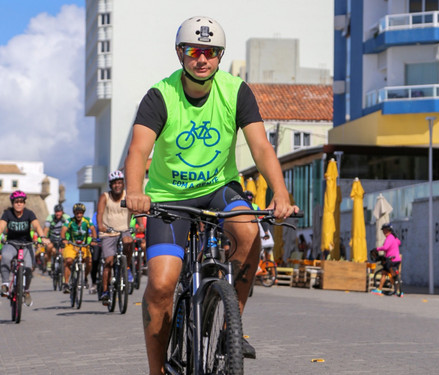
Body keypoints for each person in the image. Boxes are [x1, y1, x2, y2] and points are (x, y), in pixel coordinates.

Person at [124, 16, 299, 372]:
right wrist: (134, 191)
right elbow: (138, 151)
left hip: (220, 189)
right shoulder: (160, 95)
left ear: (220, 56)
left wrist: (281, 193)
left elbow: (262, 147)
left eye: (211, 52)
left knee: (250, 233)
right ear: (180, 54)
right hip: (168, 198)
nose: (202, 59)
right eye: (193, 51)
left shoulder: (236, 91)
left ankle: (229, 328)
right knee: (161, 285)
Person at [0, 191, 49, 306]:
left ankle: (26, 291)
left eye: (21, 202)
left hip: (26, 245)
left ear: (24, 203)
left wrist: (42, 237)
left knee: (28, 268)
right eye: (16, 202)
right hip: (11, 243)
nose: (19, 204)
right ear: (13, 203)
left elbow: (37, 225)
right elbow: (1, 226)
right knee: (5, 257)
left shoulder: (29, 213)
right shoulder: (8, 214)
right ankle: (5, 284)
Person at [96, 170, 133, 305]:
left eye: (119, 183)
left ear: (122, 184)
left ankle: (127, 268)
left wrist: (140, 224)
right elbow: (99, 214)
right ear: (110, 185)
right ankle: (105, 291)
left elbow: (135, 210)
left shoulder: (127, 196)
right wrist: (100, 226)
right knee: (109, 262)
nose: (117, 185)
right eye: (114, 183)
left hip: (124, 229)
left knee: (129, 242)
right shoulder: (105, 197)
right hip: (108, 232)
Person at [60, 203, 96, 294]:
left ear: (83, 213)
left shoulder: (87, 220)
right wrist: (63, 239)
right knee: (68, 261)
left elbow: (93, 229)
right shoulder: (70, 221)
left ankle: (85, 278)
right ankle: (66, 283)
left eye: (80, 213)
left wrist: (94, 239)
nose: (79, 215)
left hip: (84, 245)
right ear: (74, 213)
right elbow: (63, 230)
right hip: (72, 245)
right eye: (77, 213)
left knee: (89, 261)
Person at [371, 222, 402, 296]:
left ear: (388, 230)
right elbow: (399, 243)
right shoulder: (394, 237)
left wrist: (377, 249)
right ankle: (399, 292)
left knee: (384, 274)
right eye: (383, 230)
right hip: (397, 260)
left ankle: (379, 290)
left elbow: (385, 247)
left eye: (384, 230)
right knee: (392, 275)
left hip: (390, 260)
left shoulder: (389, 238)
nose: (383, 232)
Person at [44, 204, 70, 275]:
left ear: (62, 212)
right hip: (52, 238)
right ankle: (49, 262)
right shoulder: (50, 217)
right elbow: (46, 229)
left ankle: (63, 268)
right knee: (49, 247)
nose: (58, 213)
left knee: (63, 253)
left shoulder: (67, 218)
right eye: (56, 212)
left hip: (62, 239)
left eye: (59, 212)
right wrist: (45, 238)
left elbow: (70, 229)